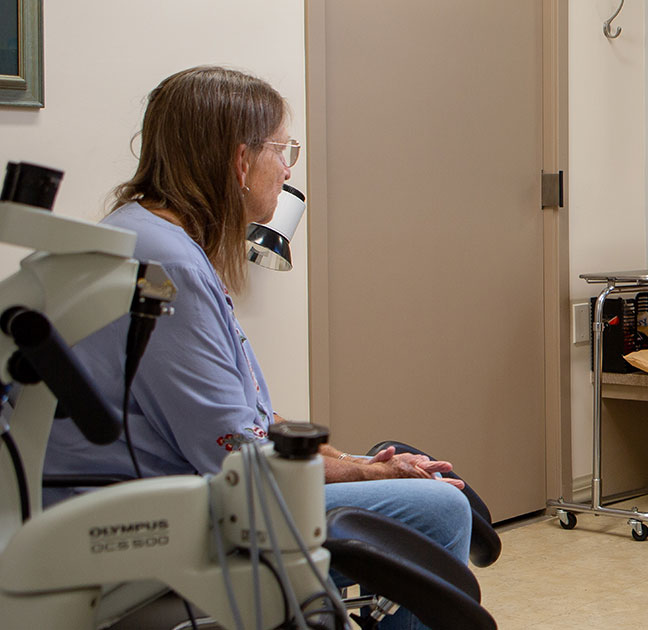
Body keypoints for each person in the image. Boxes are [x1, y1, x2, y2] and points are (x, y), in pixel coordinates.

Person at [41, 66, 472, 630]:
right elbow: (235, 452)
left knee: (417, 490)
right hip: (141, 521)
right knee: (438, 511)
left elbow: (246, 415)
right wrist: (371, 476)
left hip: (142, 496)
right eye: (282, 150)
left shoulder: (149, 238)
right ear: (240, 161)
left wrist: (357, 461)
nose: (288, 168)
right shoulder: (165, 263)